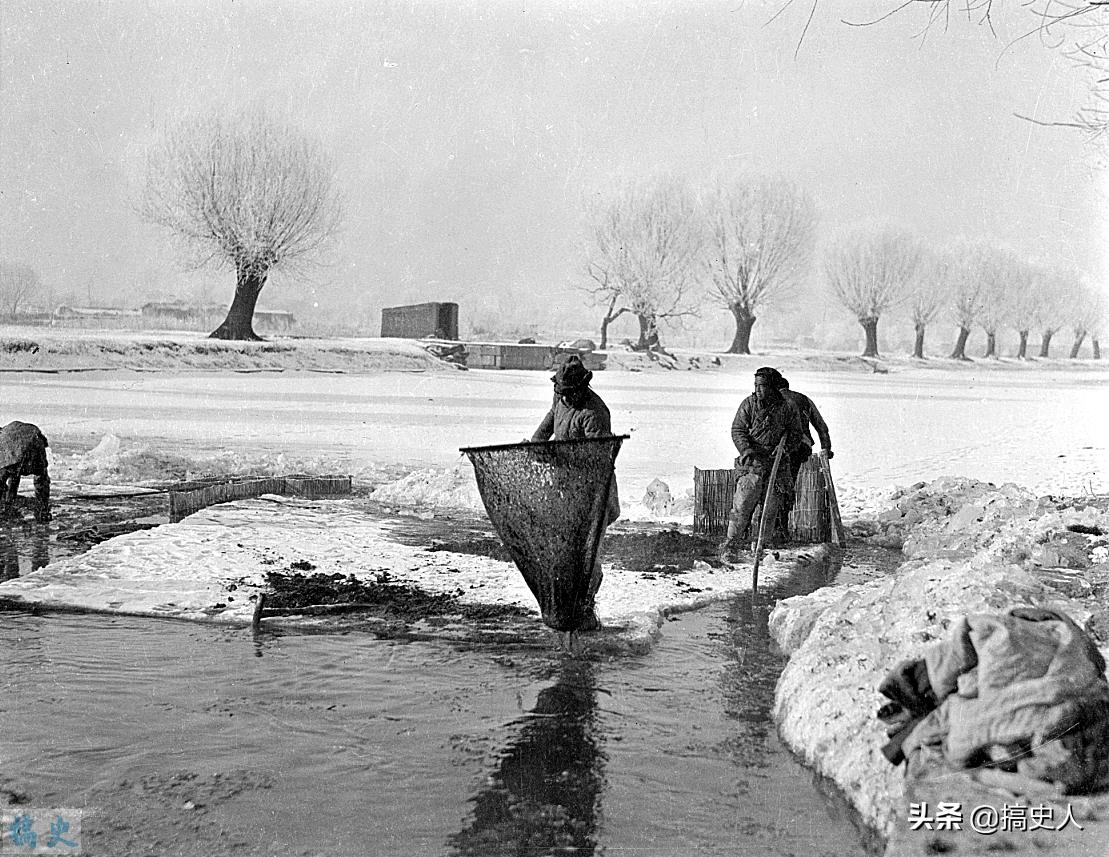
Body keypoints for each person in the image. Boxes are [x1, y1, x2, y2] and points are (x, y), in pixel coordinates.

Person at [532, 355, 620, 630]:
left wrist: (556, 458)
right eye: (561, 393)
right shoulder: (561, 401)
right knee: (564, 549)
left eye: (570, 394)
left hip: (594, 492)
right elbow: (546, 426)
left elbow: (597, 460)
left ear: (583, 388)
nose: (565, 399)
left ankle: (586, 606)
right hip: (567, 488)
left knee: (587, 553)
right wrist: (536, 445)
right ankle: (566, 606)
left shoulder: (594, 413)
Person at [718, 367, 806, 562]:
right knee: (742, 505)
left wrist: (786, 448)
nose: (758, 390)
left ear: (773, 387)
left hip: (776, 465)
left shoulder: (788, 407)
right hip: (752, 465)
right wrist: (746, 450)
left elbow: (796, 433)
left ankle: (760, 546)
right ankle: (731, 545)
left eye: (763, 386)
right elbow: (738, 430)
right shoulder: (748, 405)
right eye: (756, 385)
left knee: (770, 508)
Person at [774, 375, 833, 540]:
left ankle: (777, 526)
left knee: (776, 485)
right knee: (789, 482)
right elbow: (821, 427)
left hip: (779, 449)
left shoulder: (773, 400)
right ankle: (782, 525)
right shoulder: (804, 399)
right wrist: (826, 448)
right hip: (801, 447)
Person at [1, 420, 51, 523]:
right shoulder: (10, 430)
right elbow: (14, 476)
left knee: (4, 476)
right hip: (36, 441)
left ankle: (6, 508)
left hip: (20, 444)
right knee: (41, 478)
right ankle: (43, 510)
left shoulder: (5, 436)